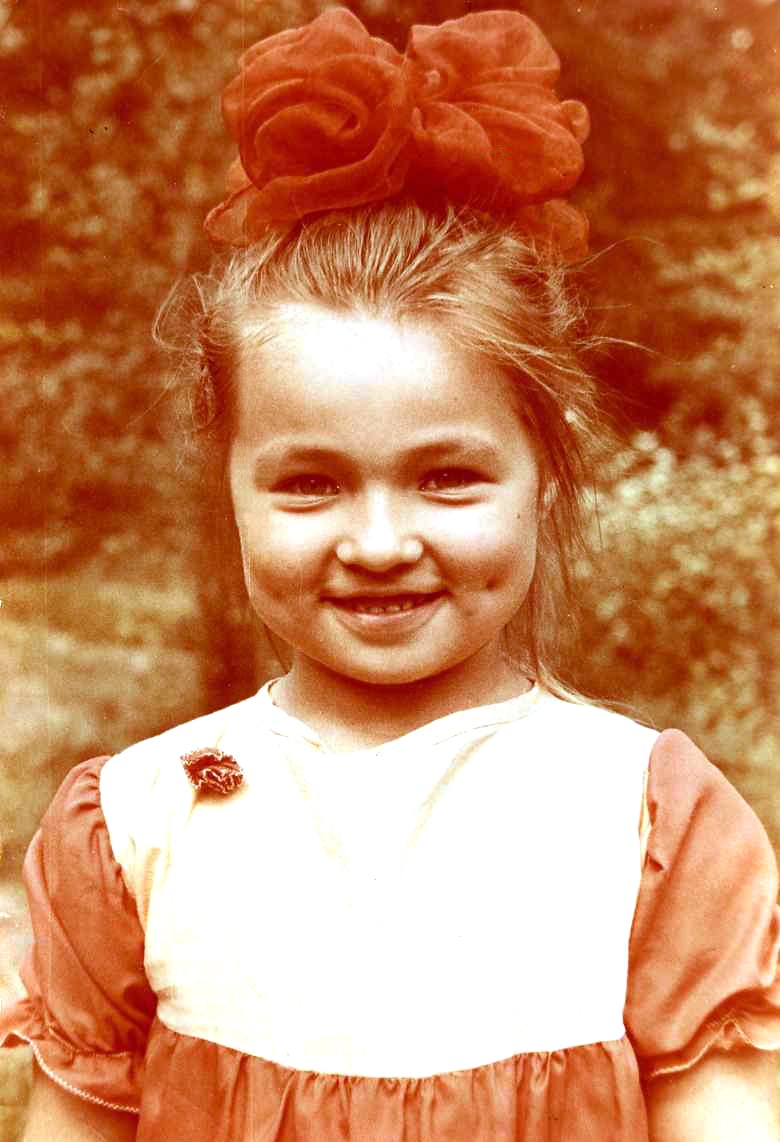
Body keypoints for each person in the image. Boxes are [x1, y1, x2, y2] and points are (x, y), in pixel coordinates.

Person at [3, 8, 779, 1141]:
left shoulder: (649, 823)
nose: (377, 542)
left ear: (545, 474)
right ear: (229, 485)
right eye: (310, 483)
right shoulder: (135, 824)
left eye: (447, 477)